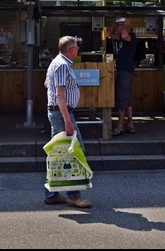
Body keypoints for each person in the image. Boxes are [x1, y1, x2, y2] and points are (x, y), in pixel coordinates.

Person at [43, 35, 92, 208]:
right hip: (61, 113)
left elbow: (47, 84)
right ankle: (73, 195)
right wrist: (67, 120)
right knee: (74, 151)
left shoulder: (56, 62)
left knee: (57, 152)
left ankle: (52, 194)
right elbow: (59, 94)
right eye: (77, 47)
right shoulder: (63, 65)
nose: (78, 50)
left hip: (56, 112)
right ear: (71, 50)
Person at [109, 17, 138, 136]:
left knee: (122, 98)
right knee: (127, 98)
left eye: (119, 26)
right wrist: (113, 23)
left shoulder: (131, 36)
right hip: (123, 70)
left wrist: (125, 25)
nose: (117, 28)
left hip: (126, 70)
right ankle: (130, 124)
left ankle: (120, 126)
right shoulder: (121, 37)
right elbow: (111, 34)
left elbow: (125, 35)